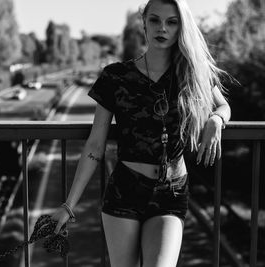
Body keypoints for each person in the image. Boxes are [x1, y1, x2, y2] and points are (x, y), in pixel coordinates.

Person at [51, 0, 231, 266]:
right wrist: (69, 204)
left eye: (172, 22)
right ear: (144, 22)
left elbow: (223, 105)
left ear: (181, 27)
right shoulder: (116, 77)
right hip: (126, 190)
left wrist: (216, 119)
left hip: (171, 191)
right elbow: (95, 145)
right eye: (155, 20)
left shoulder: (193, 72)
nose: (162, 28)